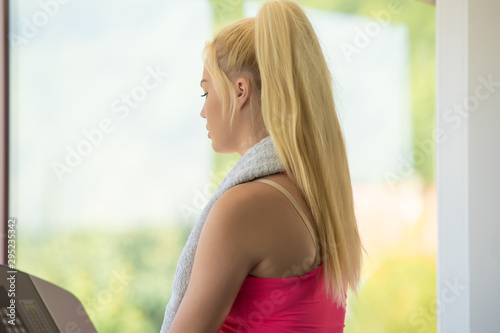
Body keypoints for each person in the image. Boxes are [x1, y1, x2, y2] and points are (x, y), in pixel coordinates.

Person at [168, 1, 364, 332]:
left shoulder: (244, 207)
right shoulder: (317, 197)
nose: (203, 112)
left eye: (206, 93)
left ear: (240, 90)